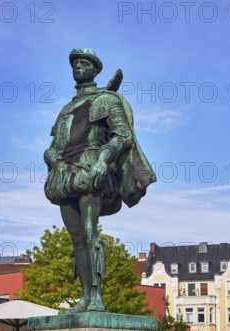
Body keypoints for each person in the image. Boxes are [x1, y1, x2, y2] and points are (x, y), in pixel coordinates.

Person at [44, 48, 156, 313]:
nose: (79, 68)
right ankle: (84, 298)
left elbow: (122, 136)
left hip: (91, 169)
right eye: (76, 64)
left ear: (95, 70)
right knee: (77, 240)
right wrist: (51, 158)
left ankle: (95, 298)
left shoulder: (106, 100)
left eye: (84, 64)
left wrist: (103, 160)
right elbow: (54, 144)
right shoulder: (66, 108)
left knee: (91, 234)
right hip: (65, 174)